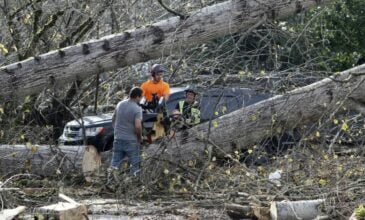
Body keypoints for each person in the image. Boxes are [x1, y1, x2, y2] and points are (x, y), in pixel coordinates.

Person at [109, 87, 143, 177]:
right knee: (135, 164)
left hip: (118, 138)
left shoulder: (120, 104)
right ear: (137, 97)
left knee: (115, 163)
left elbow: (113, 119)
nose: (141, 99)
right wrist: (139, 138)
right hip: (131, 140)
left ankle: (110, 182)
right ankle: (134, 185)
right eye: (141, 97)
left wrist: (116, 131)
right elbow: (138, 126)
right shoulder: (137, 109)